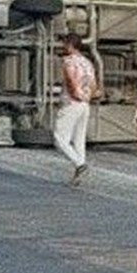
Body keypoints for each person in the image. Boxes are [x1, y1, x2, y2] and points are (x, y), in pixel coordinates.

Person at [55, 33, 97, 186]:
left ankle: (80, 164)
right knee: (79, 140)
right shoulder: (87, 62)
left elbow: (71, 81)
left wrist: (75, 95)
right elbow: (94, 85)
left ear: (69, 45)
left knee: (59, 139)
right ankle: (79, 174)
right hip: (85, 104)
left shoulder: (68, 62)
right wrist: (87, 97)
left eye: (64, 43)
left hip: (71, 102)